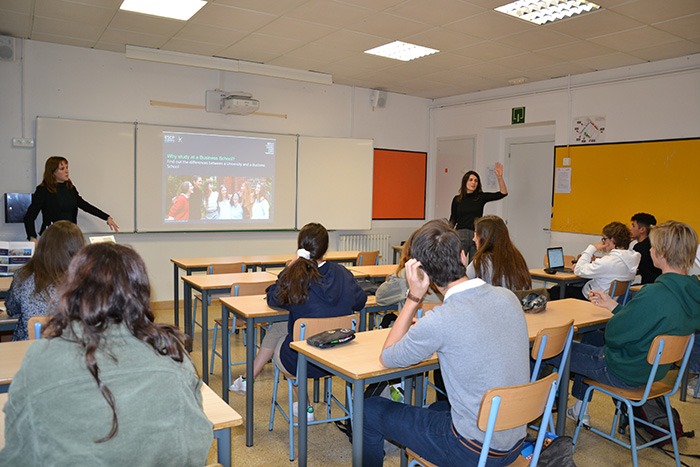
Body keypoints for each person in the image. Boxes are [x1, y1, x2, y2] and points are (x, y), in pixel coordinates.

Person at [0, 243, 214, 465]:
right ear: (141, 293)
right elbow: (196, 445)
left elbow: (17, 453)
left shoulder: (39, 358)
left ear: (72, 290)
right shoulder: (171, 353)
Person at [363, 220, 530, 466]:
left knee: (369, 410)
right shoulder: (508, 298)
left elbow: (387, 357)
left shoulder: (440, 321)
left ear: (422, 273)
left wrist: (414, 297)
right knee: (436, 409)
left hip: (473, 451)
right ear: (463, 257)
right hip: (514, 441)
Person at [558, 221, 700, 424]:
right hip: (651, 371)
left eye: (653, 246)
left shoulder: (654, 293)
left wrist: (617, 320)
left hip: (623, 370)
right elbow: (644, 323)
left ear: (662, 253)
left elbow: (614, 336)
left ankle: (533, 408)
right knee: (590, 337)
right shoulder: (690, 293)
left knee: (553, 350)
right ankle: (580, 409)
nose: (650, 249)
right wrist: (613, 306)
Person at [230, 223, 366, 421]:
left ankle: (305, 405)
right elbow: (360, 302)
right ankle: (248, 378)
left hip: (302, 362)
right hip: (339, 358)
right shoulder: (343, 273)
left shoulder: (297, 278)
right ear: (325, 249)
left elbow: (273, 299)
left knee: (283, 334)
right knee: (281, 327)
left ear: (300, 247)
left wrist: (289, 270)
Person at [5, 221, 85, 341]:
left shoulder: (22, 276)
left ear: (42, 247)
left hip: (28, 347)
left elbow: (11, 310)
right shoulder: (88, 281)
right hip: (74, 347)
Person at [24, 156, 119, 241]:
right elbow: (29, 217)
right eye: (62, 169)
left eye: (67, 167)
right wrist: (32, 237)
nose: (66, 171)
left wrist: (106, 217)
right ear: (53, 172)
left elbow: (84, 205)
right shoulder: (43, 190)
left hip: (71, 234)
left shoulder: (70, 188)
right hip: (53, 236)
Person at [550, 221, 640, 300]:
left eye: (604, 239)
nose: (603, 242)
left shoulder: (609, 261)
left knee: (556, 290)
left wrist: (592, 248)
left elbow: (578, 271)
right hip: (611, 300)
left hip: (592, 299)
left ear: (612, 239)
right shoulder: (632, 258)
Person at [449, 163, 508, 260]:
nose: (473, 183)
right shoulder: (457, 199)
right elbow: (453, 219)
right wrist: (448, 234)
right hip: (461, 234)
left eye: (476, 181)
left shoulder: (480, 197)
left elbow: (503, 193)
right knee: (458, 262)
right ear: (465, 182)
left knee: (475, 263)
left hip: (477, 234)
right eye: (471, 180)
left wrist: (500, 177)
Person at [467, 215, 531, 291]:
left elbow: (460, 285)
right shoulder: (517, 257)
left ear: (485, 237)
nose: (474, 239)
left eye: (476, 233)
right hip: (517, 298)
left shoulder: (481, 261)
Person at [630, 212, 662, 284]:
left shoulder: (639, 247)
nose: (630, 228)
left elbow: (632, 269)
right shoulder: (656, 244)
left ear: (642, 229)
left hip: (647, 284)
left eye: (633, 226)